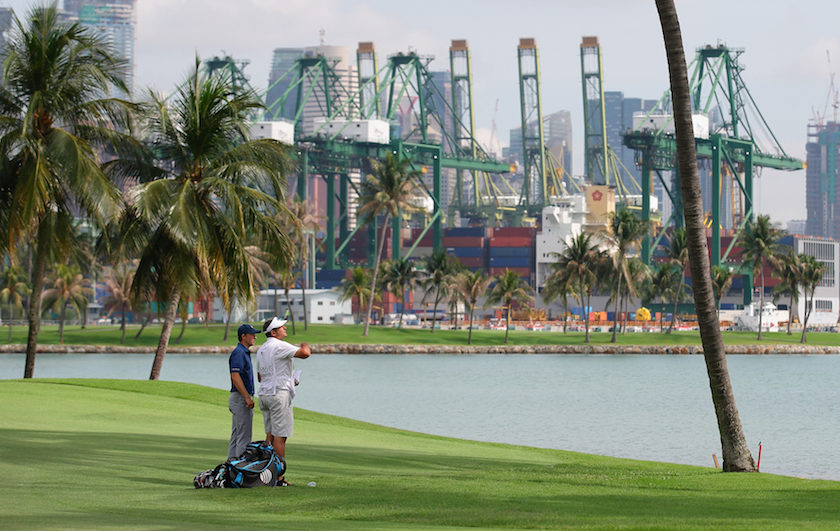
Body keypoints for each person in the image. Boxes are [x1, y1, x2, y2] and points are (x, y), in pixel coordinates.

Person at [256, 316, 310, 485]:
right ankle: (279, 478)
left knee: (270, 436)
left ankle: (266, 474)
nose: (285, 328)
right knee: (280, 437)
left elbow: (259, 376)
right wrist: (304, 344)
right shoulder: (279, 345)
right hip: (279, 395)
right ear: (273, 332)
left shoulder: (262, 349)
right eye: (281, 327)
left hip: (264, 394)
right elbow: (305, 353)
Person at [227, 323, 259, 459]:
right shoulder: (239, 352)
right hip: (240, 397)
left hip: (239, 397)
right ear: (243, 336)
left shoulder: (243, 352)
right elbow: (235, 376)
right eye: (252, 335)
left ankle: (231, 467)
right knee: (244, 437)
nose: (255, 337)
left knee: (237, 435)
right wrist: (247, 397)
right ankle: (240, 470)